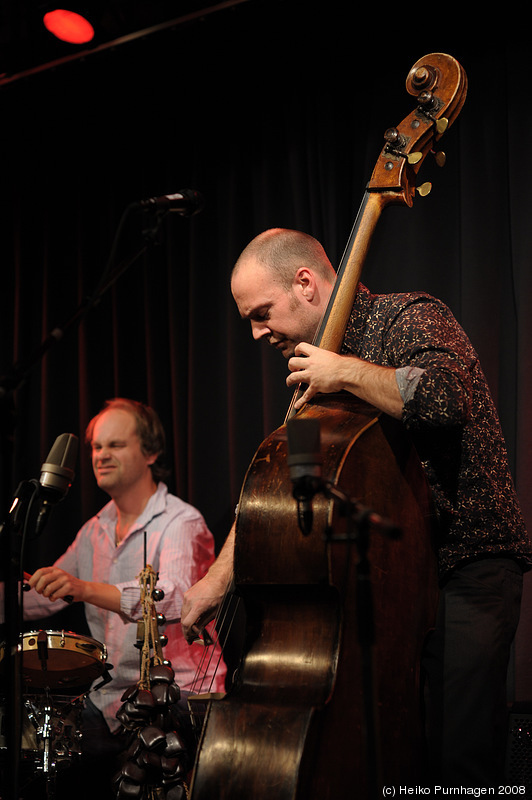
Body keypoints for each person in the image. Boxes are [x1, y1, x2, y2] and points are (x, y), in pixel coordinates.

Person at [181, 227, 532, 787]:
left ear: (305, 283)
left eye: (262, 312)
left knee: (457, 754)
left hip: (464, 567)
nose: (254, 332)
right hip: (384, 586)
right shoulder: (307, 387)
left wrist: (343, 369)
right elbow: (288, 494)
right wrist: (219, 579)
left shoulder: (407, 317)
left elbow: (444, 398)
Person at [22, 397, 226, 797]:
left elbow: (176, 598)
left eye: (115, 445)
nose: (101, 455)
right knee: (38, 765)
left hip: (177, 699)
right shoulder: (94, 529)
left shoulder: (181, 521)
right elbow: (42, 595)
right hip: (112, 700)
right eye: (97, 447)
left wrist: (82, 588)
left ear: (150, 452)